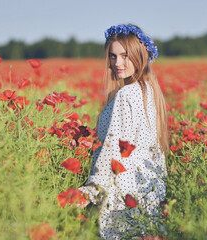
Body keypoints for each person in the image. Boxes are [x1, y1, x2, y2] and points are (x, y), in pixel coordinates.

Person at [78, 24, 169, 239]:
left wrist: (92, 190)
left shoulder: (126, 94)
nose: (117, 63)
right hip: (147, 188)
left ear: (140, 56)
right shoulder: (149, 90)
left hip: (123, 189)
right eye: (113, 56)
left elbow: (115, 149)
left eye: (124, 56)